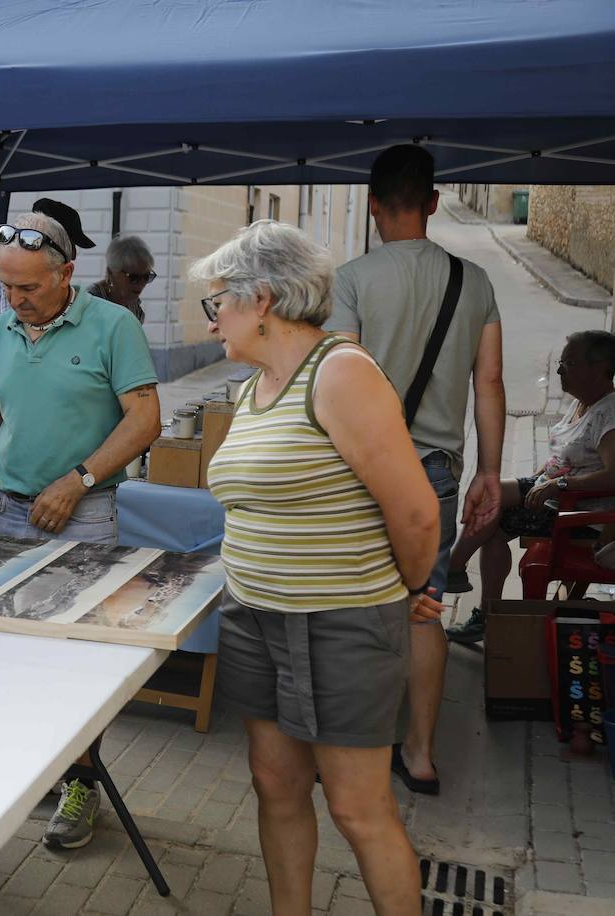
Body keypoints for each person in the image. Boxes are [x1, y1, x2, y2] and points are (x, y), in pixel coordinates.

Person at [199, 220, 440, 916]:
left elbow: (418, 514)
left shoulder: (339, 372)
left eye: (219, 304)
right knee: (275, 786)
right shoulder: (255, 388)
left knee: (357, 808)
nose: (212, 321)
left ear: (263, 299)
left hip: (338, 623)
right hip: (253, 616)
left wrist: (412, 590)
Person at [0, 211, 161, 850]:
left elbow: (144, 421)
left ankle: (82, 782)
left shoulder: (114, 326)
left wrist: (78, 480)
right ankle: (29, 772)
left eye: (29, 287)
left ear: (67, 273)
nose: (15, 299)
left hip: (84, 514)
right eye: (6, 285)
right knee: (9, 654)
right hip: (8, 512)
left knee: (78, 660)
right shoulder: (1, 331)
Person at [326, 143, 505, 795]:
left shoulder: (351, 280)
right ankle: (421, 755)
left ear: (374, 207)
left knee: (350, 607)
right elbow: (488, 382)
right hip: (433, 474)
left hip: (359, 473)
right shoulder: (475, 282)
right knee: (424, 608)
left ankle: (347, 748)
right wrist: (489, 468)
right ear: (432, 203)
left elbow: (338, 382)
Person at [446, 330, 615, 628]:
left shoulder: (609, 414)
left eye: (570, 364)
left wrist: (558, 484)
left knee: (492, 505)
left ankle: (457, 574)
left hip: (579, 516)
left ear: (601, 370)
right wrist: (543, 478)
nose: (560, 370)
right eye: (561, 363)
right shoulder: (583, 404)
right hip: (555, 498)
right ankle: (479, 602)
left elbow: (613, 475)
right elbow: (563, 458)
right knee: (492, 507)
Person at [0, 197, 96, 431]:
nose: (73, 252)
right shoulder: (16, 286)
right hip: (0, 428)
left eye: (28, 288)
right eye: (71, 243)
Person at [87, 234, 155, 323]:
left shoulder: (133, 305)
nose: (141, 284)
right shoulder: (89, 304)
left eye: (146, 277)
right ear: (111, 272)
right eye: (134, 278)